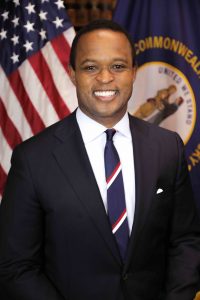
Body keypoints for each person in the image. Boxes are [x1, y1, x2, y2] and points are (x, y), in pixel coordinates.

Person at [0, 19, 200, 300]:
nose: (105, 78)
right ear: (72, 74)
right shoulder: (32, 159)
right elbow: (15, 266)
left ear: (133, 72)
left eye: (117, 66)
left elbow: (185, 241)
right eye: (90, 67)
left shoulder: (168, 148)